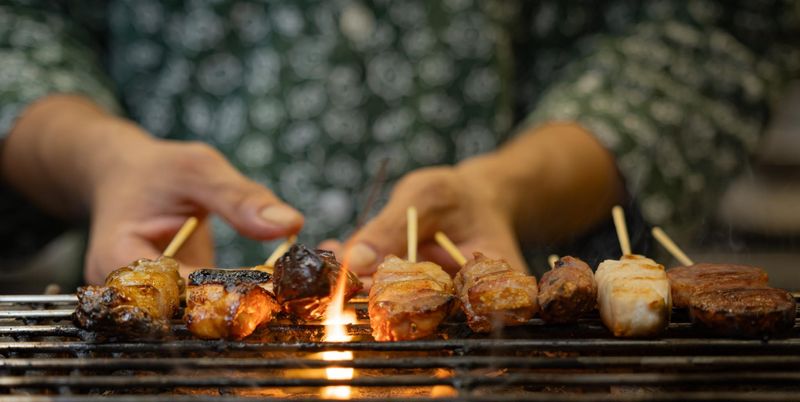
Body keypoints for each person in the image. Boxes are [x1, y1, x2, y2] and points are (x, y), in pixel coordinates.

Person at [0, 1, 797, 286]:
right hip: (142, 400)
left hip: (515, 386)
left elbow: (703, 28)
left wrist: (512, 188)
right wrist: (98, 159)